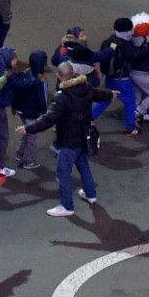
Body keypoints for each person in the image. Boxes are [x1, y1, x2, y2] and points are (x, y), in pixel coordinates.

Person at [17, 61, 105, 218]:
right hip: (82, 136)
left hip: (68, 139)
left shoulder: (62, 98)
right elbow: (100, 94)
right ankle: (90, 194)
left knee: (63, 172)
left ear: (59, 76)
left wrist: (28, 128)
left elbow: (48, 119)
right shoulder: (85, 87)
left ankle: (67, 206)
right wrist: (112, 93)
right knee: (83, 165)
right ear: (73, 73)